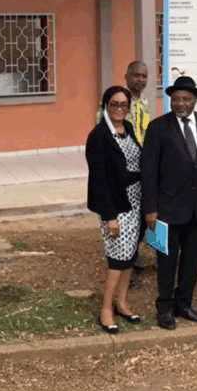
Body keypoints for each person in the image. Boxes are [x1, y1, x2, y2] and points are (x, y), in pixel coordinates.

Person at [141, 76, 197, 330]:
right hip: (165, 210)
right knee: (165, 260)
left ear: (195, 100)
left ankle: (184, 304)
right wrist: (150, 209)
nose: (180, 103)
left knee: (192, 260)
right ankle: (164, 307)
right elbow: (149, 171)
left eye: (185, 99)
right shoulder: (158, 127)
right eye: (175, 99)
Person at [85, 85, 144, 334]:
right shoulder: (99, 136)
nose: (119, 109)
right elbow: (99, 179)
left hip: (137, 201)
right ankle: (106, 308)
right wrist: (110, 217)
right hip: (116, 206)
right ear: (105, 106)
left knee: (129, 256)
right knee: (116, 259)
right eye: (114, 104)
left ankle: (122, 303)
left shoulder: (127, 129)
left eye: (123, 105)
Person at [125, 60, 151, 276]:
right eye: (137, 75)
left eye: (144, 76)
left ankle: (133, 255)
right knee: (127, 217)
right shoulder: (117, 99)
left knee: (144, 215)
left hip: (143, 167)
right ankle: (125, 265)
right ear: (127, 76)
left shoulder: (143, 101)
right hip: (124, 170)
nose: (140, 79)